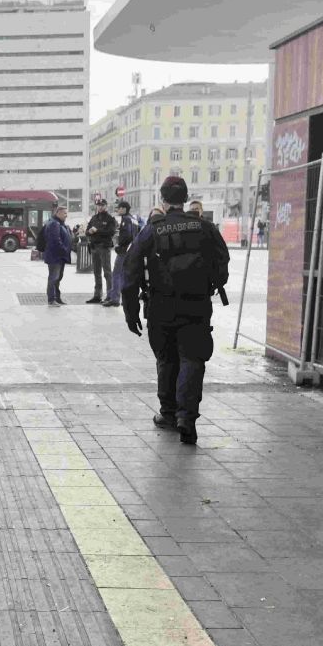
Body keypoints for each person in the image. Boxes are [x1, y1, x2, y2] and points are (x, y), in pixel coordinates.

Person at [121, 176, 229, 445]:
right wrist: (210, 285)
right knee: (193, 360)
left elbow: (130, 270)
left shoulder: (152, 230)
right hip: (196, 306)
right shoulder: (205, 227)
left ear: (163, 199)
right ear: (185, 198)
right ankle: (187, 418)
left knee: (167, 359)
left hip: (161, 306)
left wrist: (131, 312)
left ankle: (168, 413)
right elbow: (222, 262)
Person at [84, 198, 117, 305]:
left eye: (102, 205)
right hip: (94, 247)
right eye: (98, 205)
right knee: (96, 272)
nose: (100, 207)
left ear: (106, 206)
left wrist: (97, 231)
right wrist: (89, 231)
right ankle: (97, 295)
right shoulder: (94, 218)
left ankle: (110, 296)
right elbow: (87, 232)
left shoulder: (110, 219)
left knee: (107, 272)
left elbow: (111, 232)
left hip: (104, 247)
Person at [41, 204, 73, 307]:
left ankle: (57, 298)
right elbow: (55, 240)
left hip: (60, 256)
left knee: (57, 278)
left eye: (66, 213)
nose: (66, 215)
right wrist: (64, 250)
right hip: (55, 256)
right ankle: (51, 299)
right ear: (58, 213)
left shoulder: (60, 223)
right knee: (53, 278)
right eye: (64, 213)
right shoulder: (54, 224)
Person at [110, 199, 140, 308]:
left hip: (124, 251)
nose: (117, 210)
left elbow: (127, 235)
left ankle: (115, 298)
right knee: (127, 275)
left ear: (124, 209)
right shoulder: (134, 219)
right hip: (132, 250)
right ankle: (126, 299)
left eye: (119, 208)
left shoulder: (126, 219)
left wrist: (120, 246)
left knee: (117, 274)